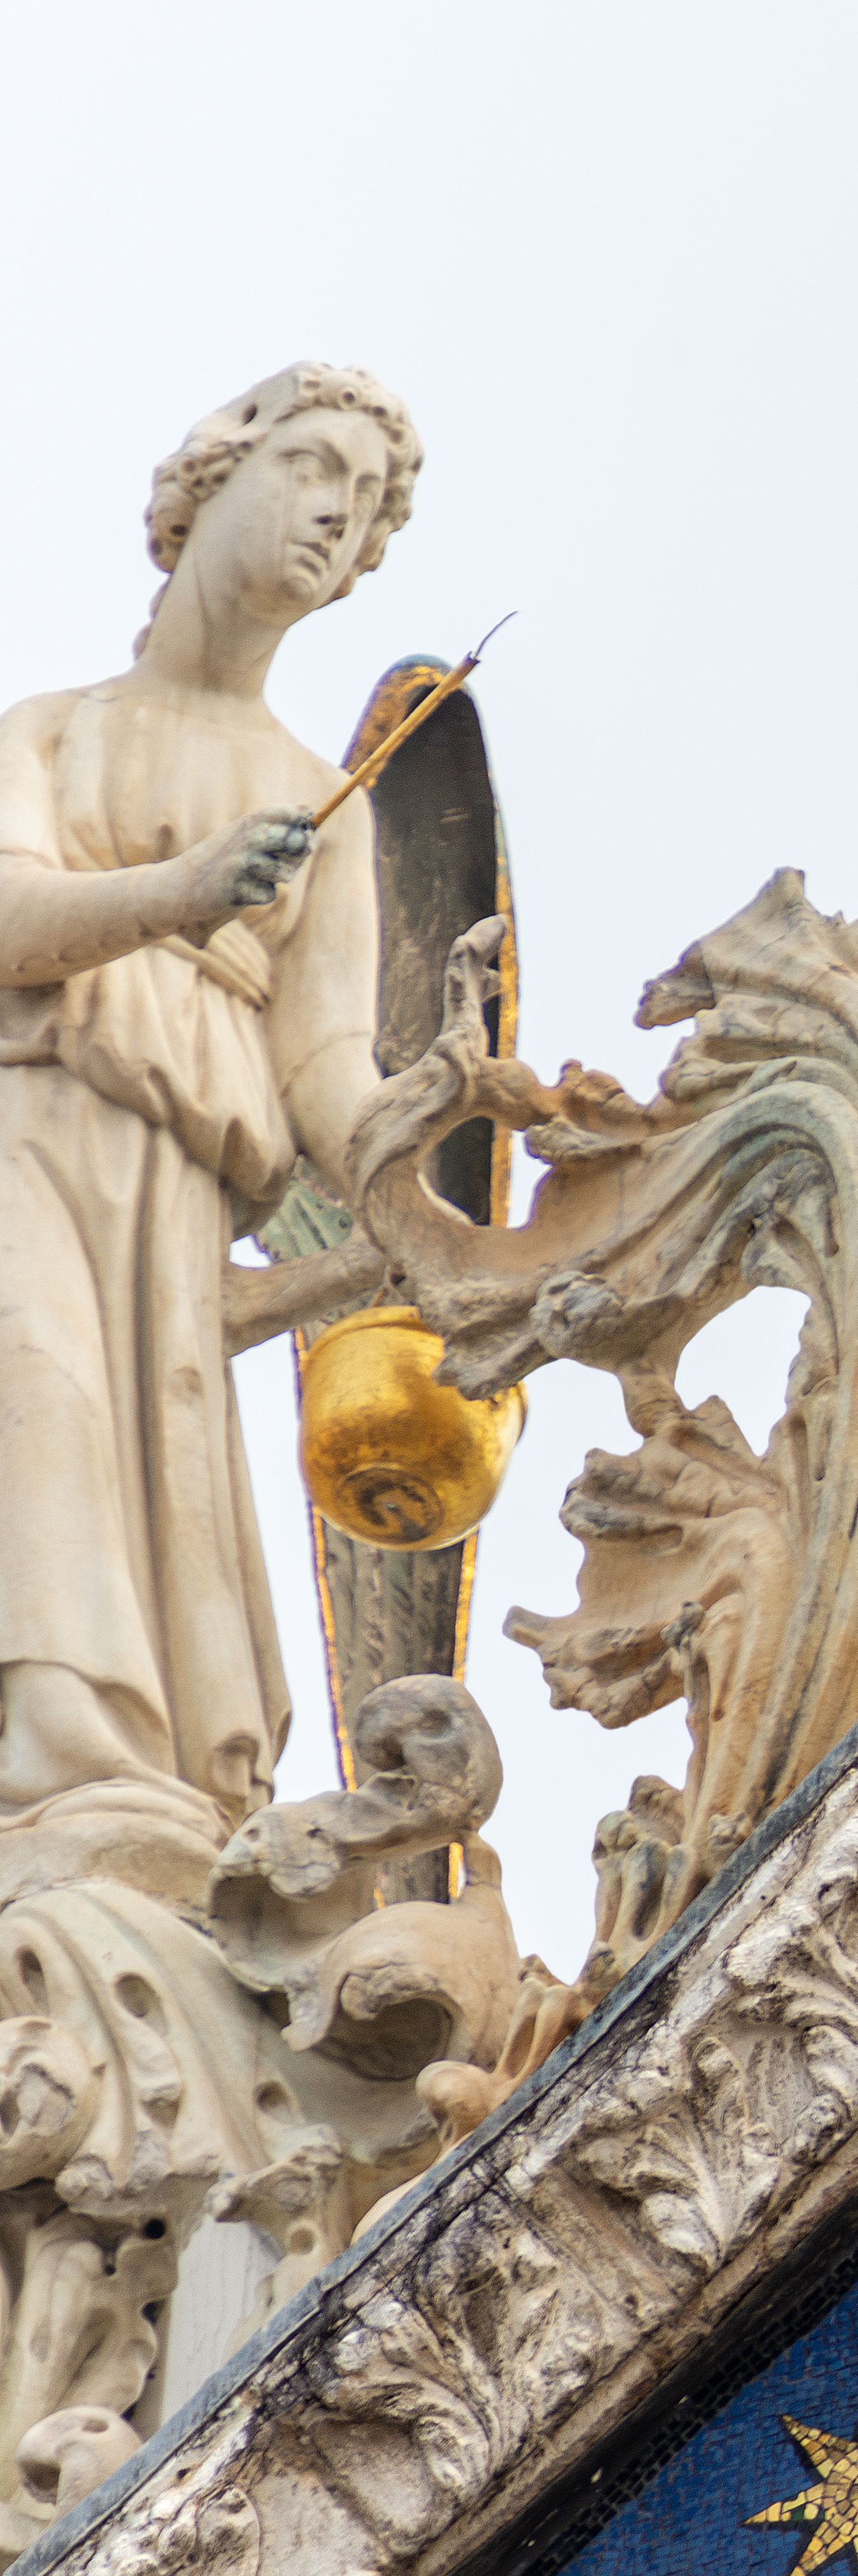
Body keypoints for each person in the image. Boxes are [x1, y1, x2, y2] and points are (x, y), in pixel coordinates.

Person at [0, 364, 408, 1907]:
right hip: (25, 1119)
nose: (331, 511)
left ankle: (159, 1775)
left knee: (153, 1446)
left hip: (176, 1178)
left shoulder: (321, 799)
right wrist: (179, 895)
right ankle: (49, 1747)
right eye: (310, 465)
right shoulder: (49, 730)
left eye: (361, 503)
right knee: (38, 1396)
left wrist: (420, 1156)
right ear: (207, 479)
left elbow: (321, 1061)